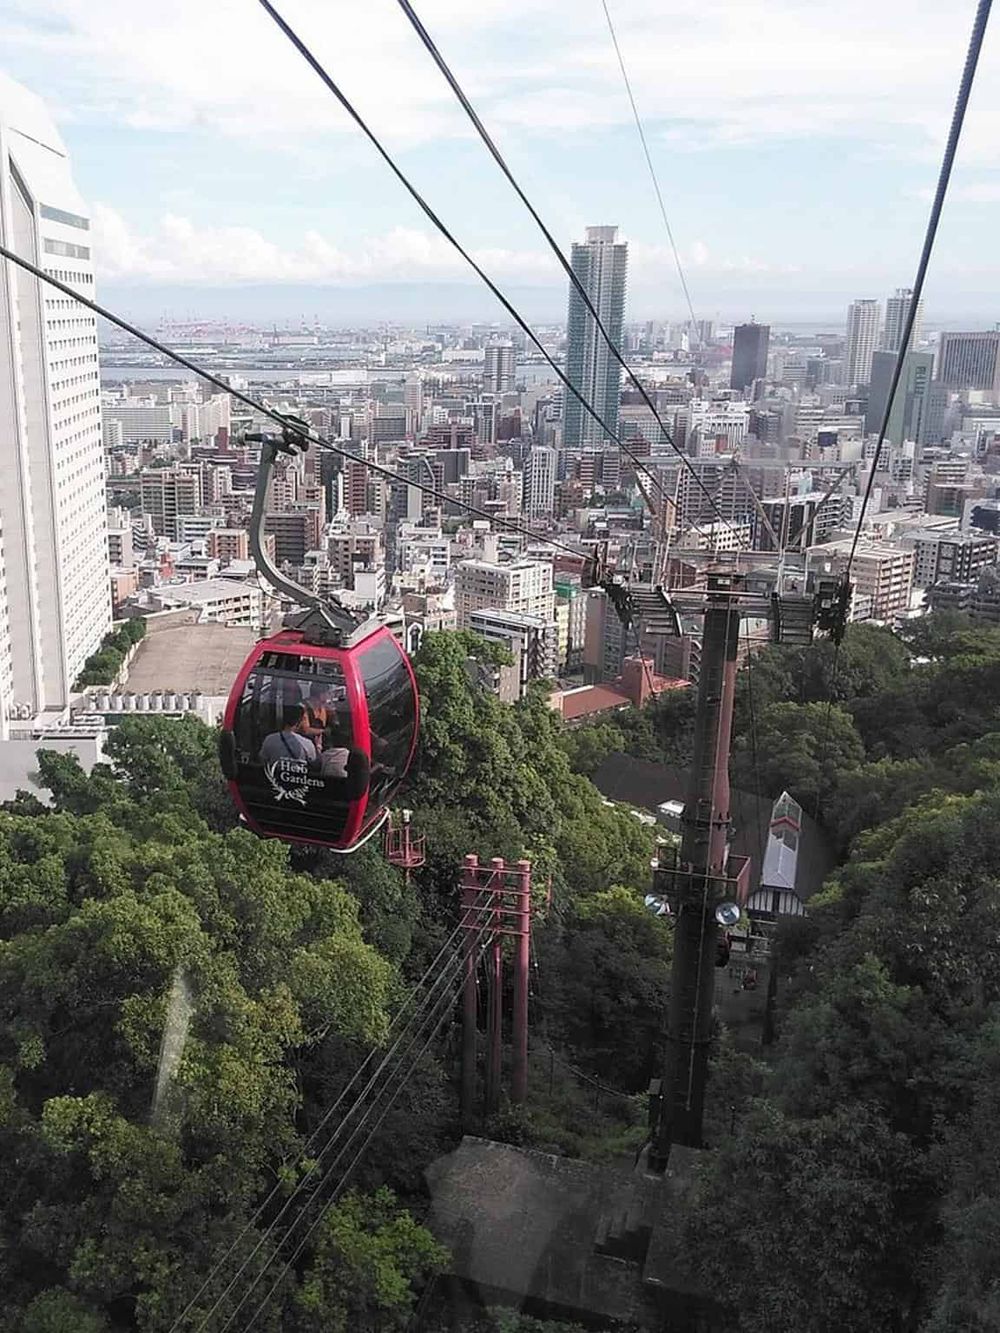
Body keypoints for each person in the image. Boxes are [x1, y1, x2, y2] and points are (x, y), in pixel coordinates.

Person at [300, 683, 332, 750]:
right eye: (328, 693)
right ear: (321, 694)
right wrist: (324, 731)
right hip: (304, 746)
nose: (329, 696)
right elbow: (305, 730)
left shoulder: (324, 708)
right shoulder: (303, 707)